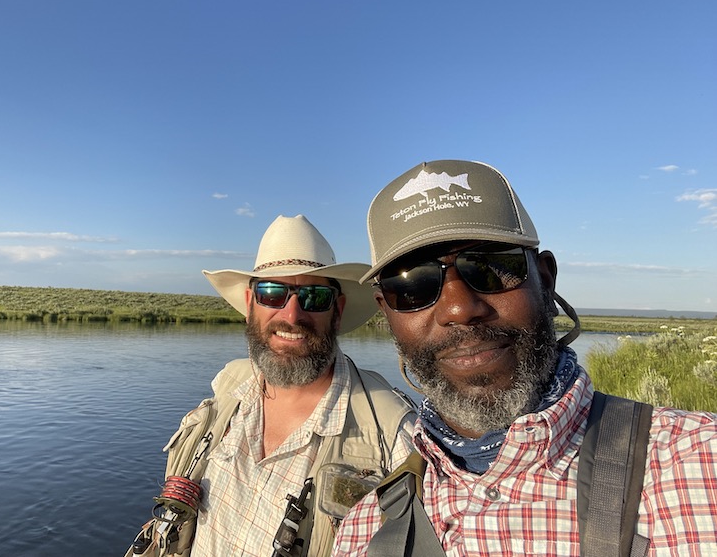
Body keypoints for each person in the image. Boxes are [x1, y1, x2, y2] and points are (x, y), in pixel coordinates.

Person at [333, 159, 717, 557]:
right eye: (411, 286)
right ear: (387, 312)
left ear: (546, 280)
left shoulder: (696, 465)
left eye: (491, 266)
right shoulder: (364, 531)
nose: (458, 308)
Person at [129, 215, 417, 557]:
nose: (292, 315)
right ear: (251, 304)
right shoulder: (228, 392)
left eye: (314, 297)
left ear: (337, 310)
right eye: (272, 293)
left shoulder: (394, 436)